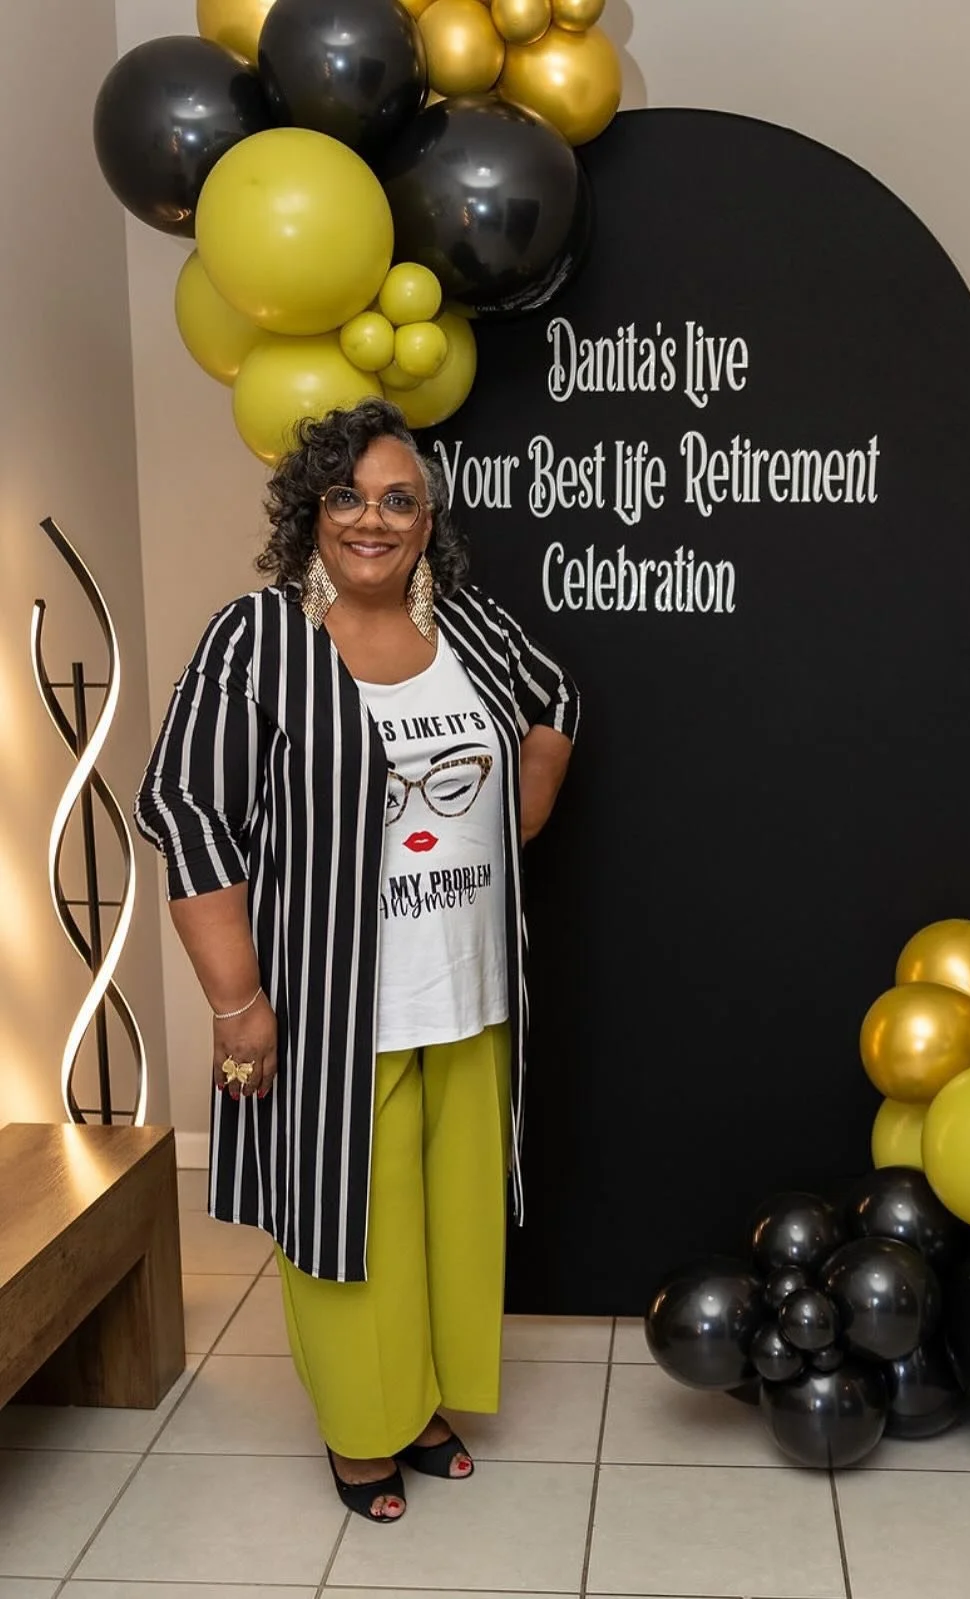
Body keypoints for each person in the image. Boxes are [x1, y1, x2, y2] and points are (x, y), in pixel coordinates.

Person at [136, 397, 578, 1522]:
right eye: (347, 497)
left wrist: (509, 833)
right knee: (347, 1223)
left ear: (427, 520)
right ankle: (360, 1430)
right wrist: (238, 1002)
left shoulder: (469, 629)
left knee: (451, 1214)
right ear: (310, 513)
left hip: (469, 991)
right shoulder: (260, 637)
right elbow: (185, 809)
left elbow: (554, 698)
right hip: (335, 1002)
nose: (372, 520)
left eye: (399, 500)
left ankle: (422, 1399)